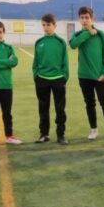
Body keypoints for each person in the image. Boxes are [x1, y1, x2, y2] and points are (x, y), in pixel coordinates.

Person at [69, 6, 104, 140]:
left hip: (100, 77)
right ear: (79, 19)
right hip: (84, 76)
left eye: (87, 17)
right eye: (82, 18)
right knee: (89, 103)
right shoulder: (78, 35)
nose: (84, 20)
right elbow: (72, 45)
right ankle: (93, 130)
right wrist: (88, 33)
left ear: (92, 18)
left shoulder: (100, 35)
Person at [33, 13, 69, 145]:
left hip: (58, 79)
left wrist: (64, 76)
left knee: (60, 109)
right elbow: (35, 63)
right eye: (43, 25)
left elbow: (65, 62)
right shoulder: (39, 42)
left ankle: (61, 135)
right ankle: (44, 134)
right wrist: (36, 76)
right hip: (42, 79)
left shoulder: (60, 42)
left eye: (48, 25)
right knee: (43, 108)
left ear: (54, 25)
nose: (46, 27)